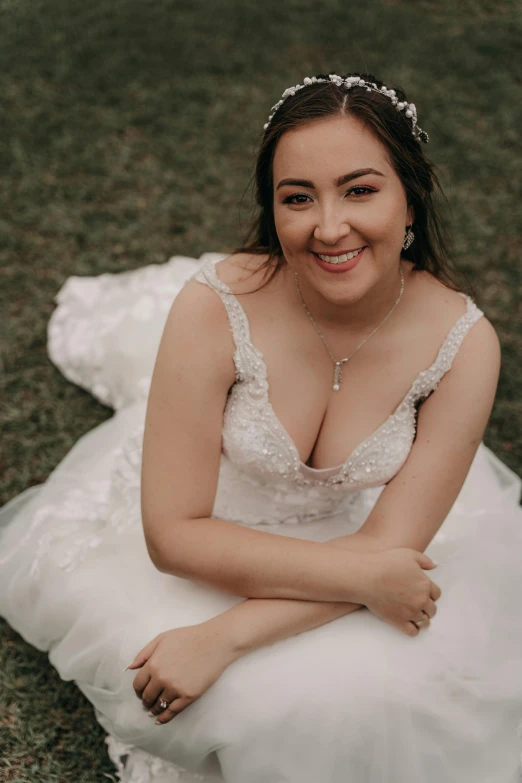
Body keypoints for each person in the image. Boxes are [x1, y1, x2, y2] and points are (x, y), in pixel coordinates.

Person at [0, 71, 521, 783]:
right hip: (206, 542)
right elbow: (175, 533)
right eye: (297, 197)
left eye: (360, 189)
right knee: (255, 703)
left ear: (411, 199)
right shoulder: (214, 308)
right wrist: (371, 576)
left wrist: (222, 637)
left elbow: (388, 550)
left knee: (398, 697)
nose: (328, 226)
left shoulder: (464, 343)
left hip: (342, 543)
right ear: (272, 210)